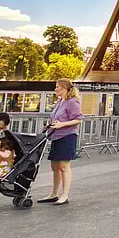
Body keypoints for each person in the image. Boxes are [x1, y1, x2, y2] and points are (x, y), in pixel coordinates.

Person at [41, 78, 83, 206]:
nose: (55, 89)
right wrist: (50, 125)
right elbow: (56, 118)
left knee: (64, 166)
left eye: (57, 87)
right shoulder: (60, 102)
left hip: (67, 136)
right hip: (55, 136)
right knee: (55, 166)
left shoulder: (72, 102)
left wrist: (62, 125)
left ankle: (64, 195)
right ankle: (54, 193)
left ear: (64, 88)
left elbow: (78, 119)